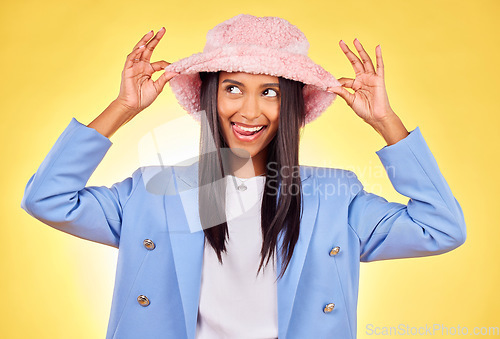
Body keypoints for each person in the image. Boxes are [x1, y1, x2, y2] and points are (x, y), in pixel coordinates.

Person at [21, 14, 466, 339]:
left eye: (269, 92)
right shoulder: (156, 193)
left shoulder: (334, 198)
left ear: (290, 105)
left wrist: (387, 123)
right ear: (211, 96)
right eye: (233, 88)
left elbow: (441, 228)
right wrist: (122, 108)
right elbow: (48, 199)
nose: (249, 111)